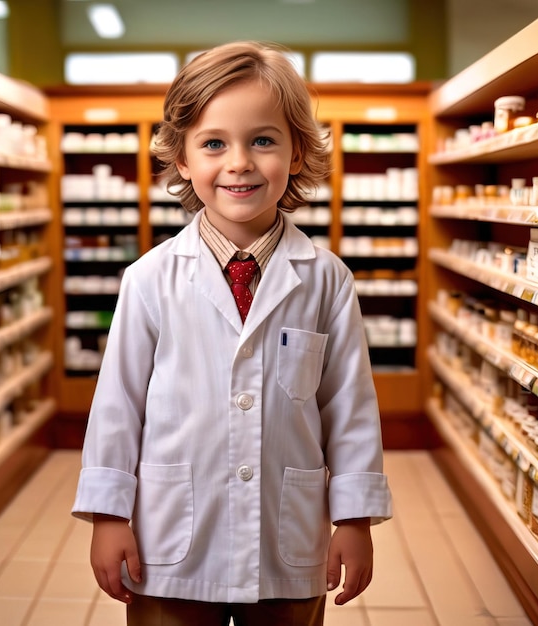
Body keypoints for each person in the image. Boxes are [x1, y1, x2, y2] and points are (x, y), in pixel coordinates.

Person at [72, 40, 392, 626]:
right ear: (183, 160)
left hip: (287, 538)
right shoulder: (149, 279)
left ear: (297, 153)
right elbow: (116, 406)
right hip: (169, 543)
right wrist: (109, 517)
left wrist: (354, 519)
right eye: (214, 143)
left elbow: (348, 409)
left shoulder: (326, 280)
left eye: (263, 140)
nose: (239, 162)